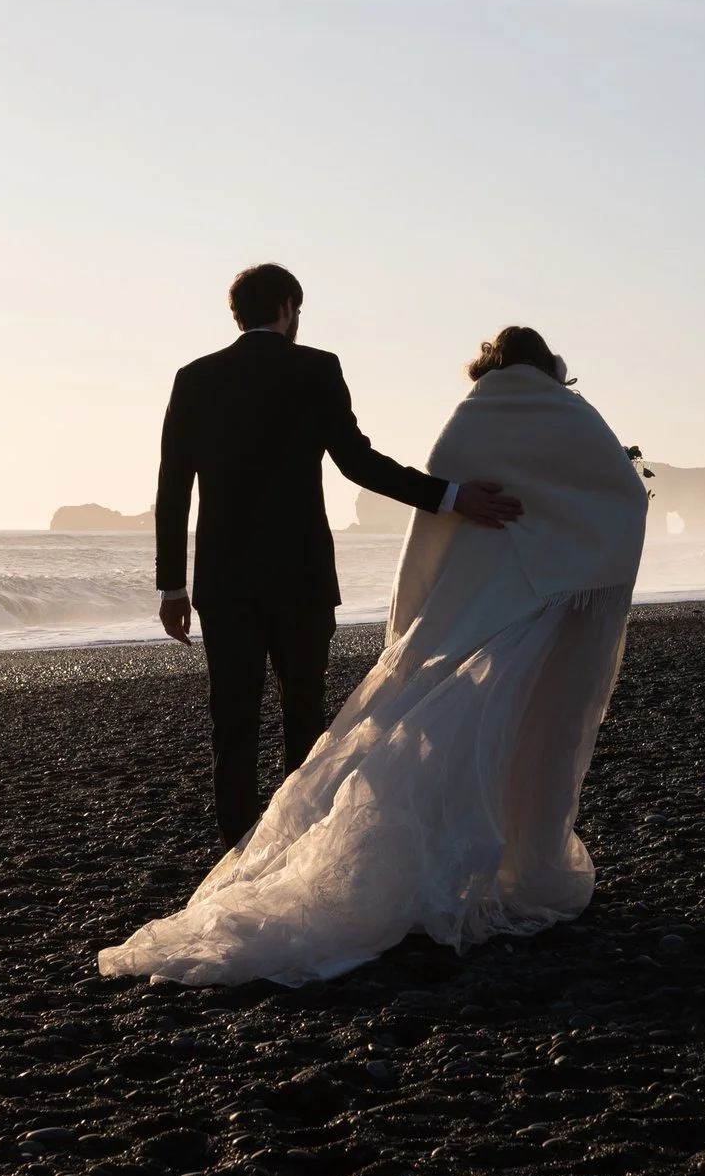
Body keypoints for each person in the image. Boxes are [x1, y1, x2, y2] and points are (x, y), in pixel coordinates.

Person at [101, 324, 649, 986]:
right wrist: (570, 560)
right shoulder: (571, 417)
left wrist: (415, 616)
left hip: (465, 614)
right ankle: (519, 866)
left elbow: (433, 524)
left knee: (424, 739)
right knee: (534, 738)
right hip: (539, 612)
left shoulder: (472, 418)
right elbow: (620, 490)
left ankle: (336, 853)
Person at [152, 264, 523, 846]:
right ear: (288, 307)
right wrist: (450, 497)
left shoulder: (195, 377)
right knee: (304, 714)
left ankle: (236, 850)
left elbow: (173, 488)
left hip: (224, 583)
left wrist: (172, 587)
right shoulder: (315, 368)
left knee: (233, 720)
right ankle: (297, 845)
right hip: (302, 577)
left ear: (237, 314)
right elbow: (358, 462)